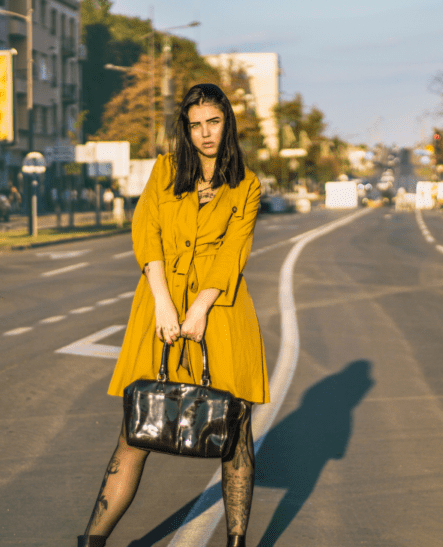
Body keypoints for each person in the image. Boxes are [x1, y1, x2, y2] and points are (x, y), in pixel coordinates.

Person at [77, 83, 268, 547]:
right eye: (196, 124)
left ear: (228, 123)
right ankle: (91, 542)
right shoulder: (164, 171)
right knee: (135, 432)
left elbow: (232, 254)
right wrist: (164, 301)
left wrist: (200, 307)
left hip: (220, 311)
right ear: (185, 128)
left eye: (214, 122)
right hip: (159, 307)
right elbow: (148, 233)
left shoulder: (247, 183)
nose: (205, 133)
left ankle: (237, 543)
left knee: (234, 432)